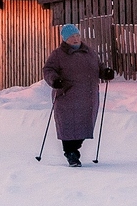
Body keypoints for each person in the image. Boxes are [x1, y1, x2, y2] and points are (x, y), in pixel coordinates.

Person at [43, 21, 112, 165]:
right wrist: (55, 80)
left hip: (87, 96)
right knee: (68, 125)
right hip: (67, 95)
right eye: (71, 37)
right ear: (64, 39)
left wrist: (105, 72)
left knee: (83, 125)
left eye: (77, 35)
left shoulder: (89, 52)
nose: (75, 38)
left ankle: (75, 149)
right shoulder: (58, 55)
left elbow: (99, 66)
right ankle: (71, 153)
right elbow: (48, 70)